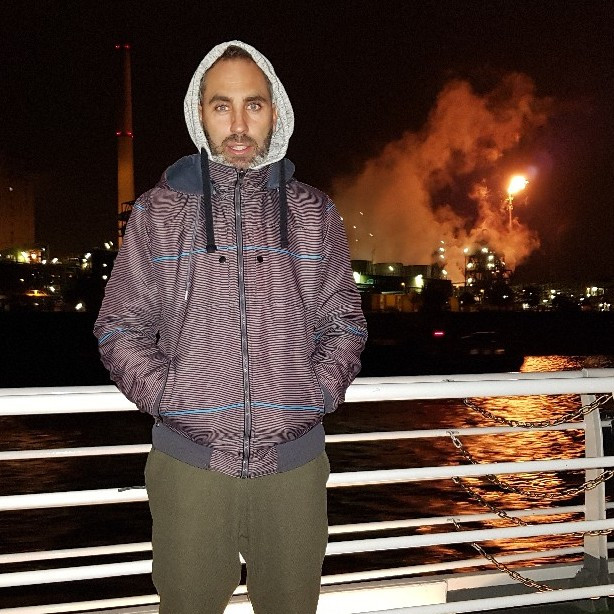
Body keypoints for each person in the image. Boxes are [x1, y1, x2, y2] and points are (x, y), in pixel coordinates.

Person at [94, 40, 367, 614]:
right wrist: (171, 398)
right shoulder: (156, 212)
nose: (239, 124)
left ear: (276, 111)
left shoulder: (315, 212)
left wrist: (315, 394)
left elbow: (344, 323)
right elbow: (120, 326)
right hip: (189, 470)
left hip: (293, 469)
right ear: (199, 112)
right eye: (222, 106)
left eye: (254, 105)